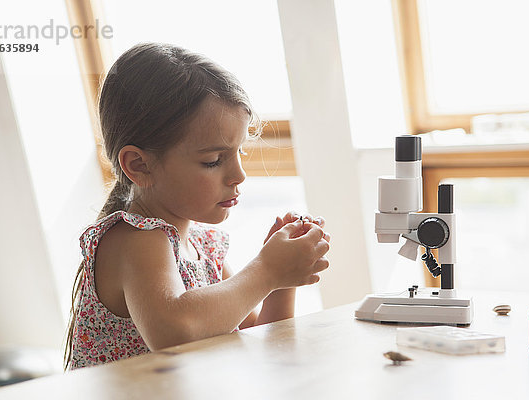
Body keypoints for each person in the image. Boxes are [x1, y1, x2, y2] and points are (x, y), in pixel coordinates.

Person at [64, 43, 331, 370]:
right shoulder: (135, 239)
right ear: (140, 165)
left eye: (240, 152)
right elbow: (176, 333)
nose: (239, 174)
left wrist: (282, 279)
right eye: (213, 160)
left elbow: (264, 343)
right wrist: (268, 270)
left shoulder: (205, 248)